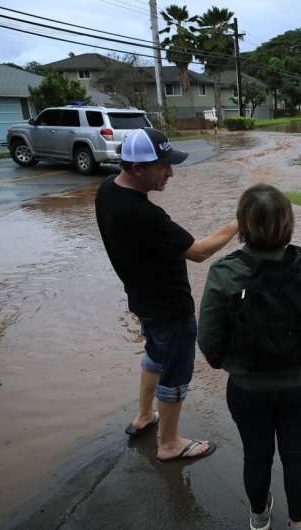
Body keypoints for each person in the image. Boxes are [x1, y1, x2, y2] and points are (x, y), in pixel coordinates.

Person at [198, 184, 301, 530]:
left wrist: (227, 364)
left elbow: (207, 335)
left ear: (243, 225)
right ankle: (297, 522)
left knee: (256, 454)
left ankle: (260, 517)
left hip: (246, 388)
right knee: (296, 454)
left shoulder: (225, 272)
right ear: (288, 222)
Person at [95, 127, 238, 462]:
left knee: (155, 356)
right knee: (175, 372)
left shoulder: (106, 193)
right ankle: (169, 443)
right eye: (163, 166)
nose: (171, 172)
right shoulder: (145, 215)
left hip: (142, 301)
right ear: (137, 168)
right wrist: (237, 225)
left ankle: (144, 416)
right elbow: (200, 251)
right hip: (170, 308)